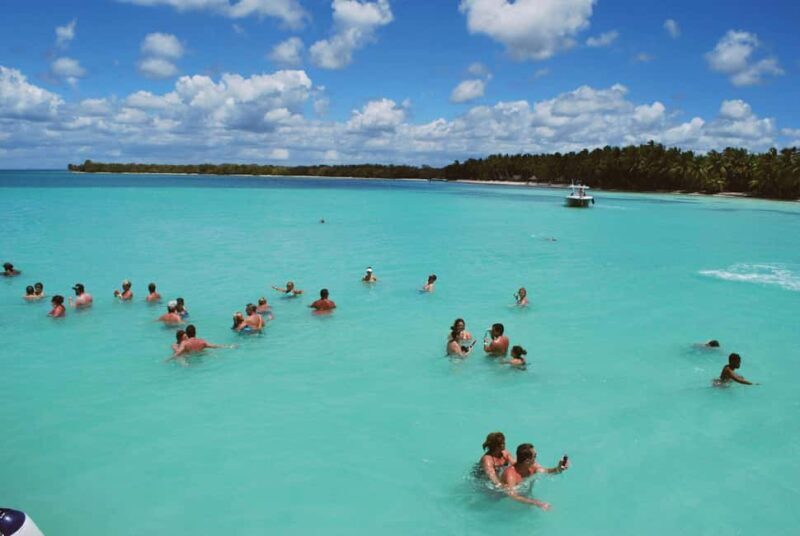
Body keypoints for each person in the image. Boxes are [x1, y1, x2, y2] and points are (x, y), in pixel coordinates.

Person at [499, 443, 569, 509]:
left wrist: (559, 468)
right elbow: (513, 496)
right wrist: (537, 503)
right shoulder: (511, 475)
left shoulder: (532, 467)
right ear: (527, 461)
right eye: (534, 456)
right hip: (503, 501)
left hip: (525, 500)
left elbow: (548, 471)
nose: (535, 459)